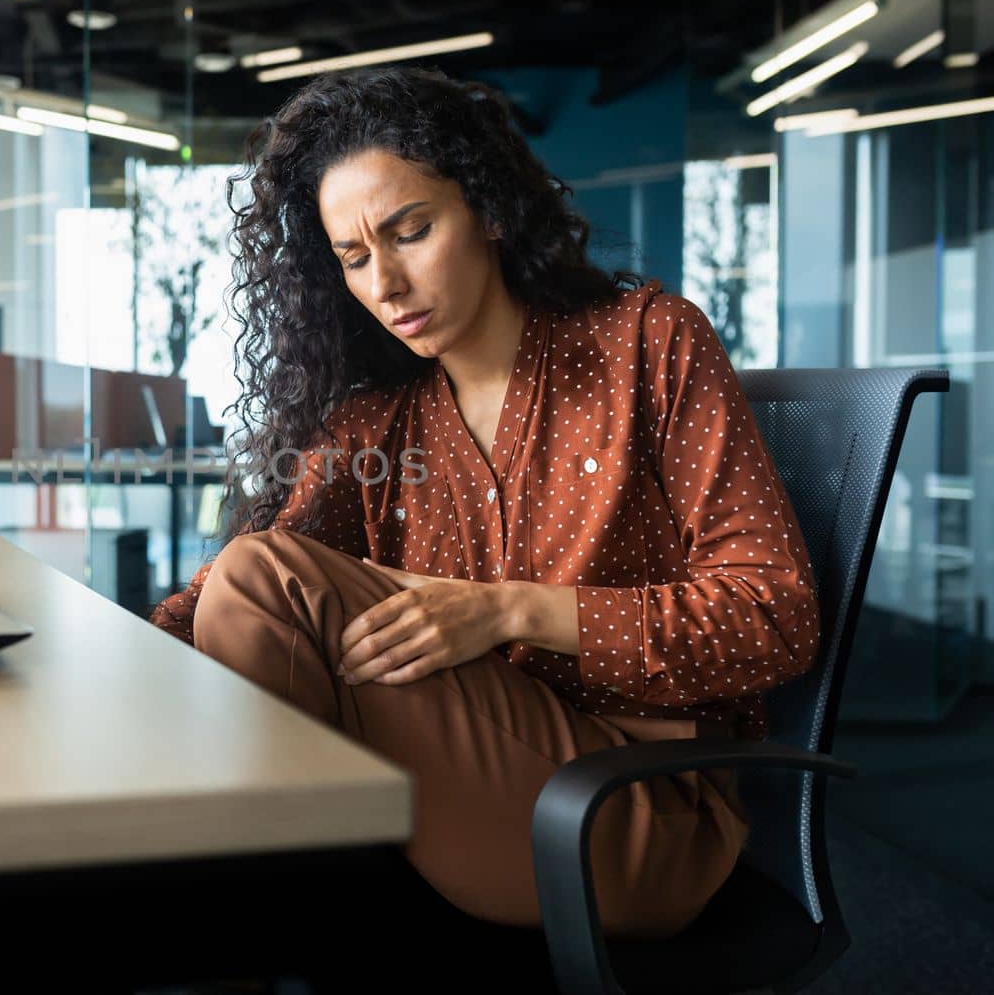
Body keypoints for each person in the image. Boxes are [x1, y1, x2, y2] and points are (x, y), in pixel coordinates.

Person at [149, 67, 818, 938]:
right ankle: (227, 904)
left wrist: (509, 613)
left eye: (411, 231)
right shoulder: (377, 419)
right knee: (247, 594)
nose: (384, 282)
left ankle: (232, 912)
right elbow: (222, 605)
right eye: (353, 258)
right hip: (465, 782)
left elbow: (777, 615)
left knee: (261, 577)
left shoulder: (646, 342)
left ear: (491, 211)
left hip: (632, 814)